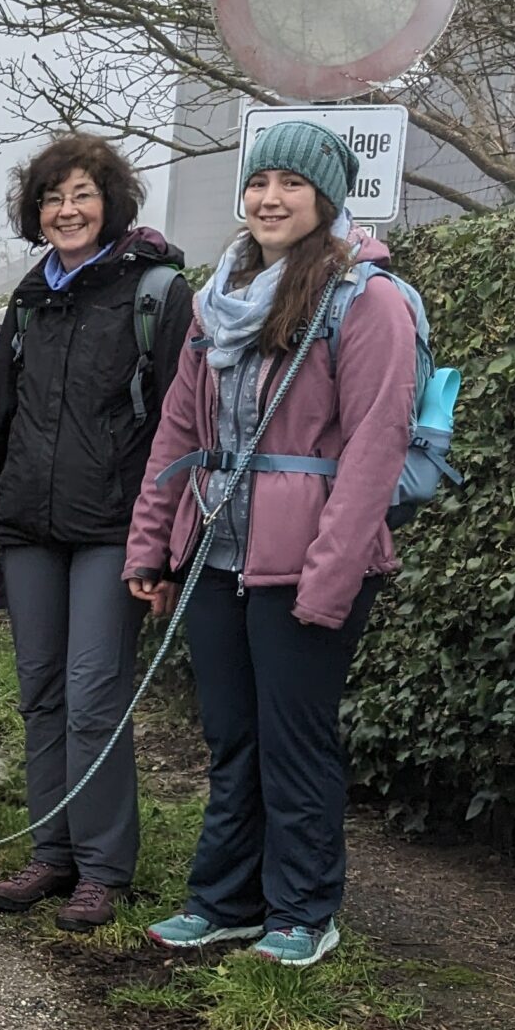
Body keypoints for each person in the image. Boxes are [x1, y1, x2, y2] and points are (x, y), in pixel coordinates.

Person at [127, 122, 415, 968]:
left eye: (292, 183)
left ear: (326, 198)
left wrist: (330, 577)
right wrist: (152, 548)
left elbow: (375, 446)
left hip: (308, 564)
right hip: (217, 554)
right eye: (259, 182)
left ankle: (302, 911)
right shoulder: (216, 300)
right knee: (232, 738)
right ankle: (223, 901)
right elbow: (178, 429)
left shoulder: (367, 301)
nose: (269, 198)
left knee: (296, 739)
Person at [0, 135, 195, 931]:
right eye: (53, 197)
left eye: (82, 194)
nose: (67, 209)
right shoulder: (27, 302)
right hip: (28, 528)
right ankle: (51, 853)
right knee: (41, 695)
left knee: (95, 696)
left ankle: (102, 868)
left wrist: (162, 546)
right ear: (36, 211)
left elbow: (177, 424)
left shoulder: (156, 293)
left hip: (113, 531)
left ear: (111, 203)